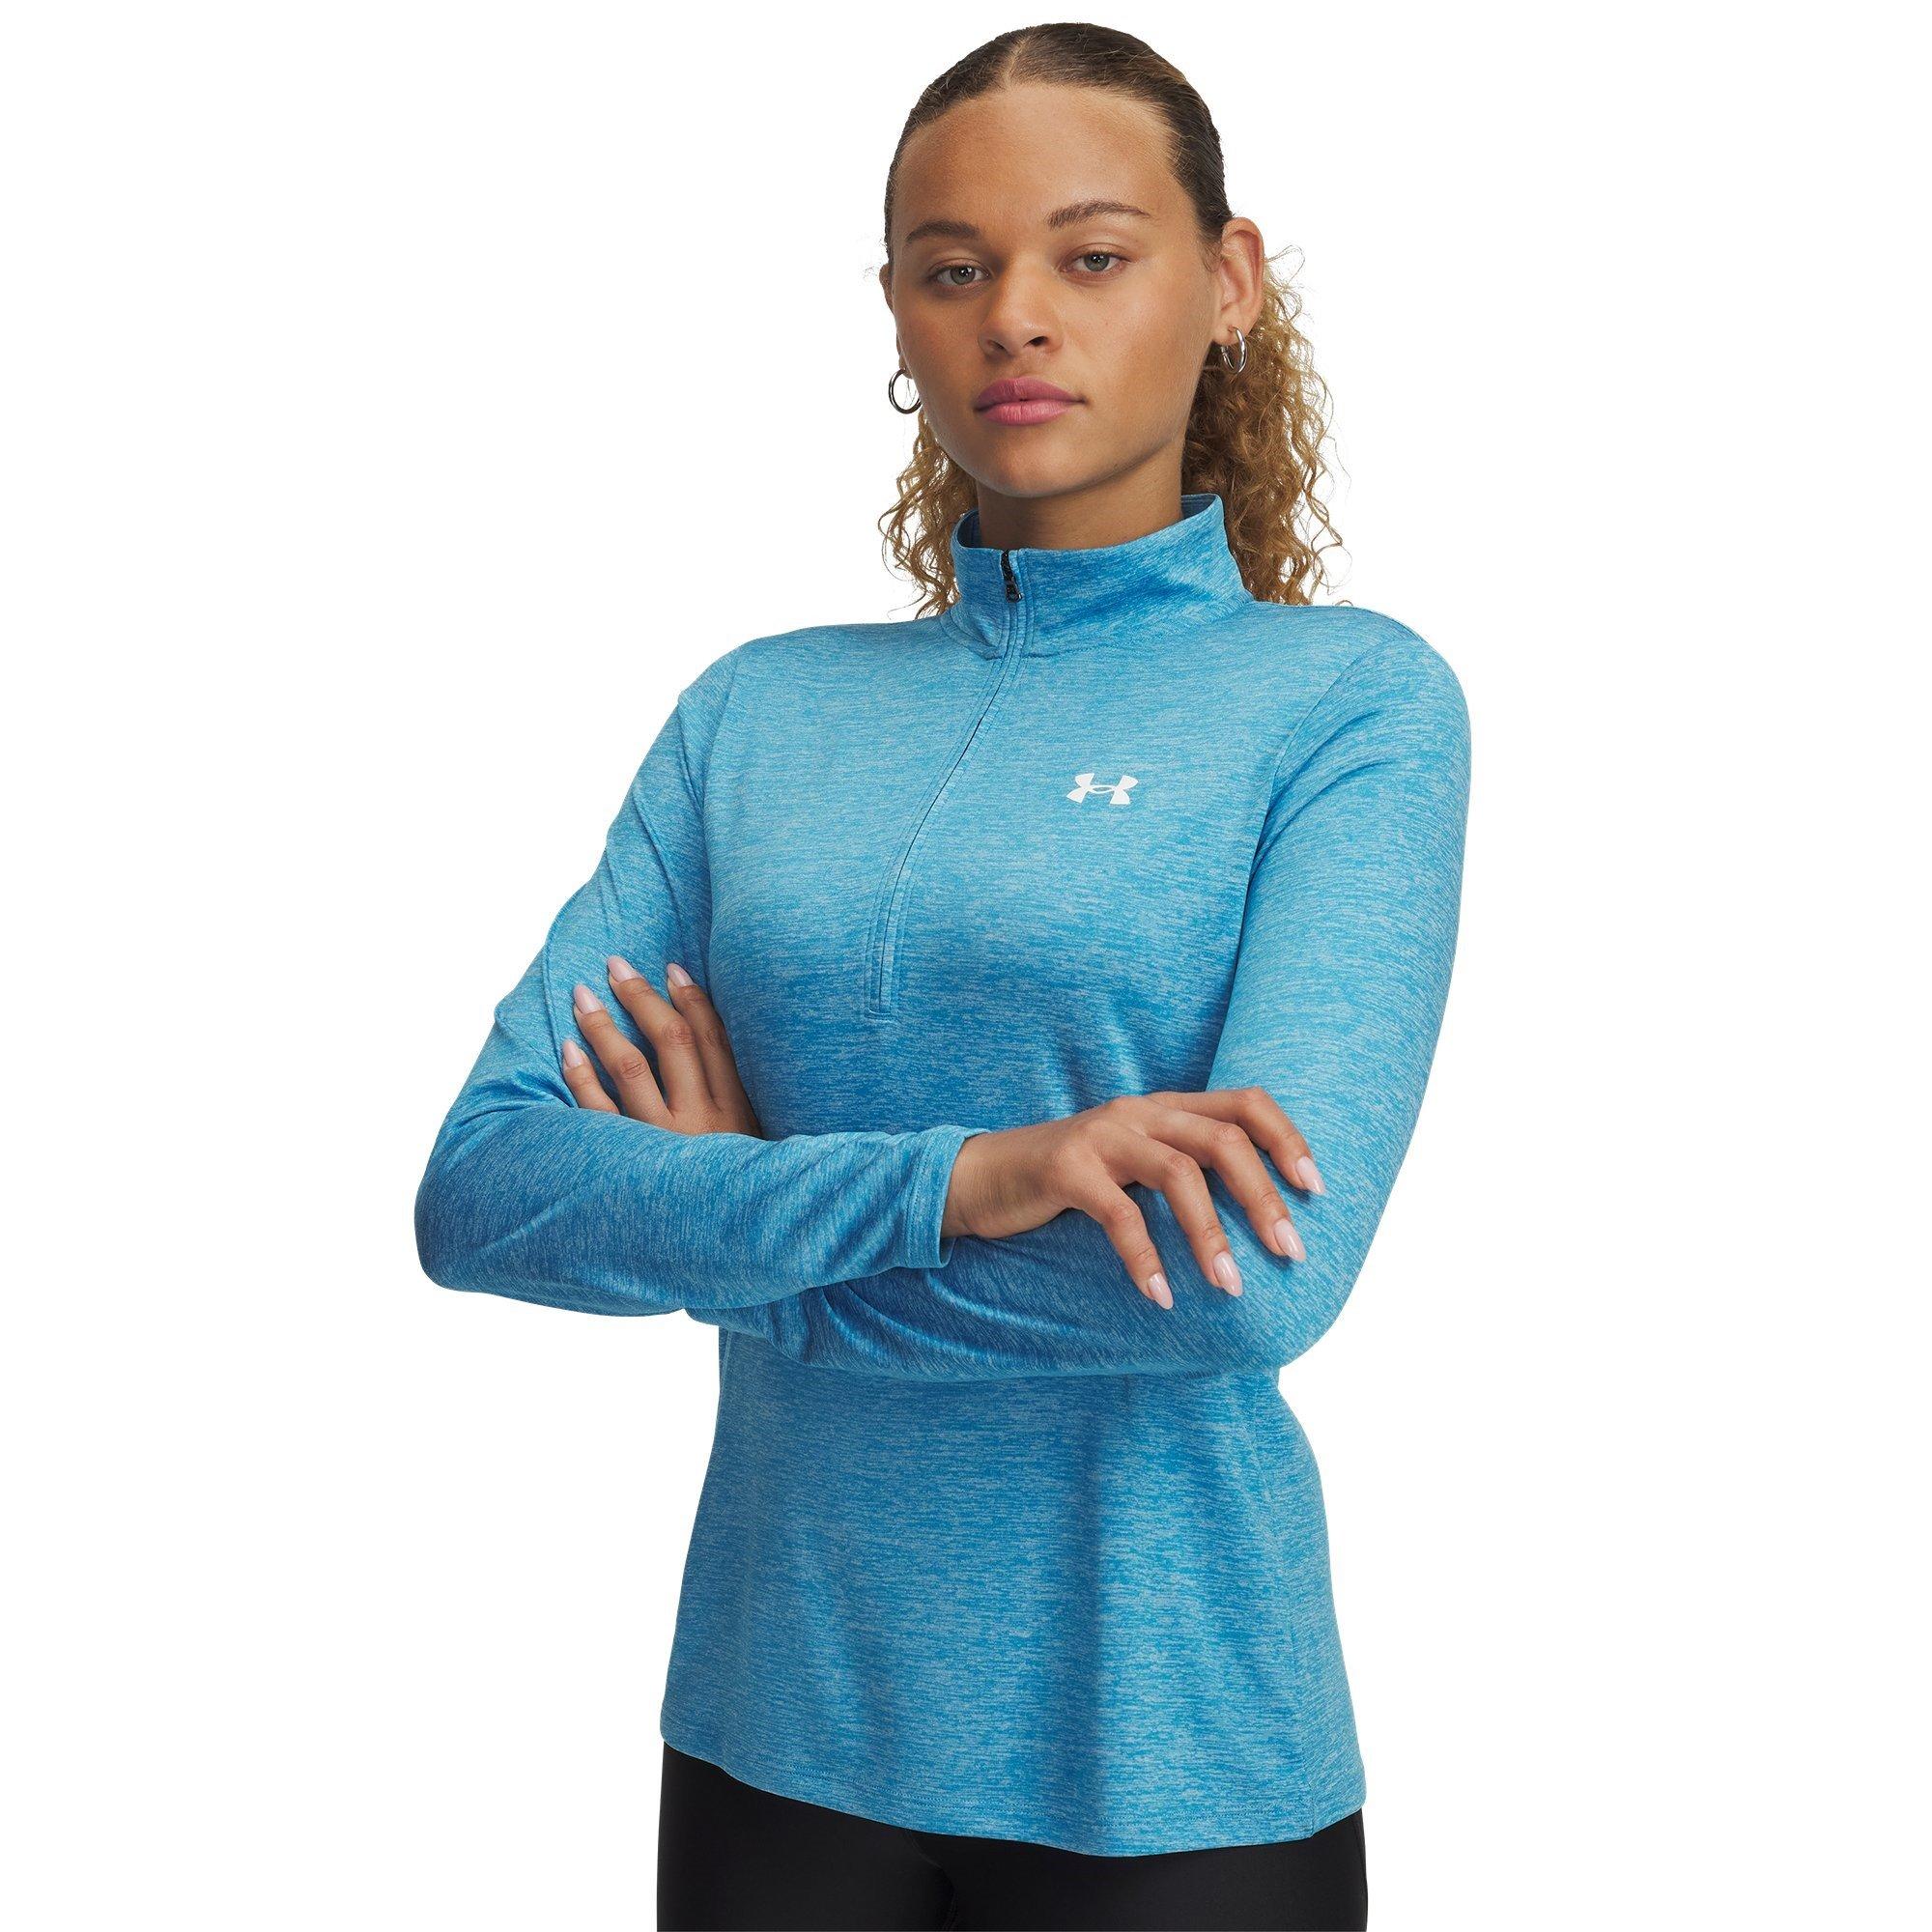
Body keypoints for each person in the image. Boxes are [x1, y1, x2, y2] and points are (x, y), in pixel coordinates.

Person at [414, 22, 1470, 1931]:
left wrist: (744, 1228)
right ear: (897, 307)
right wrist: (976, 1181)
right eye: (952, 265)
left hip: (1169, 1760)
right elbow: (483, 1190)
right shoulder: (756, 716)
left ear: (1228, 280)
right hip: (772, 1732)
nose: (1017, 319)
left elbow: (1250, 1282)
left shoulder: (1346, 706)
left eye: (1092, 254)